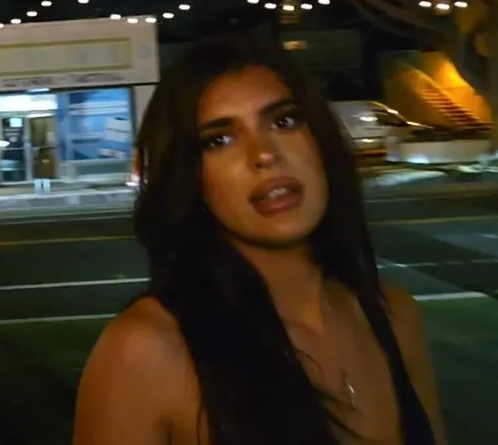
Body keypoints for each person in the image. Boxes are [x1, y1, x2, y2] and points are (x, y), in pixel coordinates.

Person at [73, 31, 445, 444]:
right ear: (190, 178)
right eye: (219, 140)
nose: (264, 154)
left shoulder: (394, 316)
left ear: (320, 141)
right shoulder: (148, 352)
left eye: (284, 121)